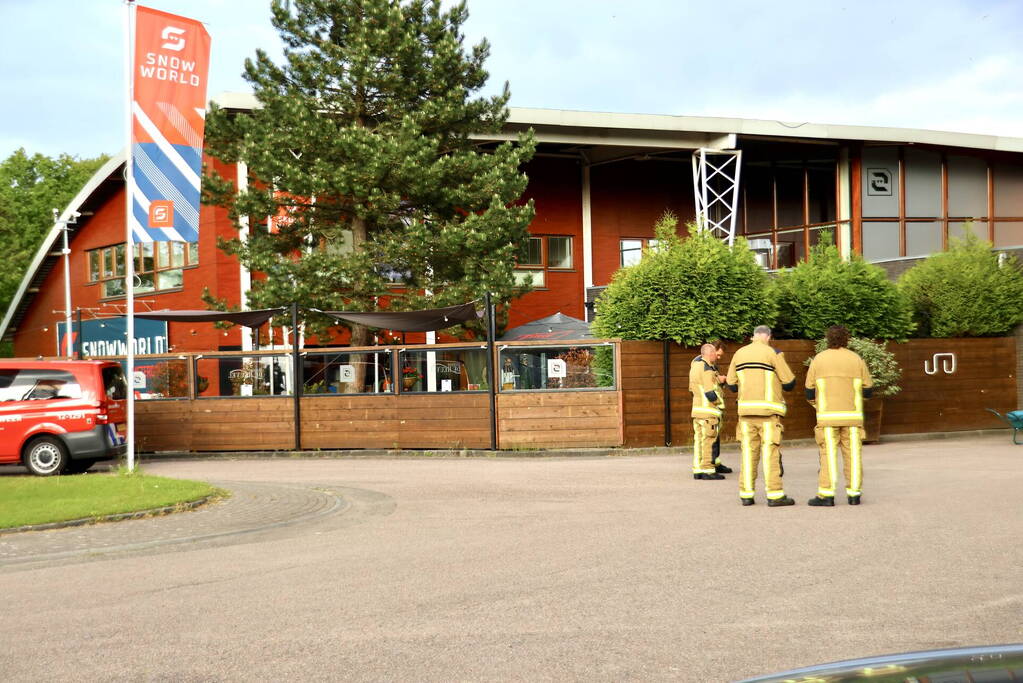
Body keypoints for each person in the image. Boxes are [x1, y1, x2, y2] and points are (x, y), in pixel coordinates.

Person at [726, 325, 797, 507]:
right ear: (768, 337)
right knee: (770, 454)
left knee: (748, 454)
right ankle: (774, 496)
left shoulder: (739, 353)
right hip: (768, 414)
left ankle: (746, 495)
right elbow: (789, 382)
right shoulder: (773, 353)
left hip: (746, 415)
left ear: (753, 336)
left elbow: (731, 384)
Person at [804, 325, 874, 507]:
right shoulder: (856, 359)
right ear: (846, 339)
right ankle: (854, 495)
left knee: (828, 456)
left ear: (828, 339)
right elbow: (868, 390)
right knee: (853, 455)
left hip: (827, 418)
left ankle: (826, 495)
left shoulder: (819, 359)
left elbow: (809, 391)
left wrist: (818, 406)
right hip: (852, 418)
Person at [689, 343, 726, 480]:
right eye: (715, 354)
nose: (716, 357)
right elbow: (710, 392)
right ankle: (708, 470)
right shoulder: (707, 369)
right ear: (710, 354)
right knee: (708, 441)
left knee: (698, 441)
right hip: (708, 412)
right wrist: (719, 403)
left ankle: (698, 469)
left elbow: (692, 389)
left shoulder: (694, 367)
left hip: (697, 411)